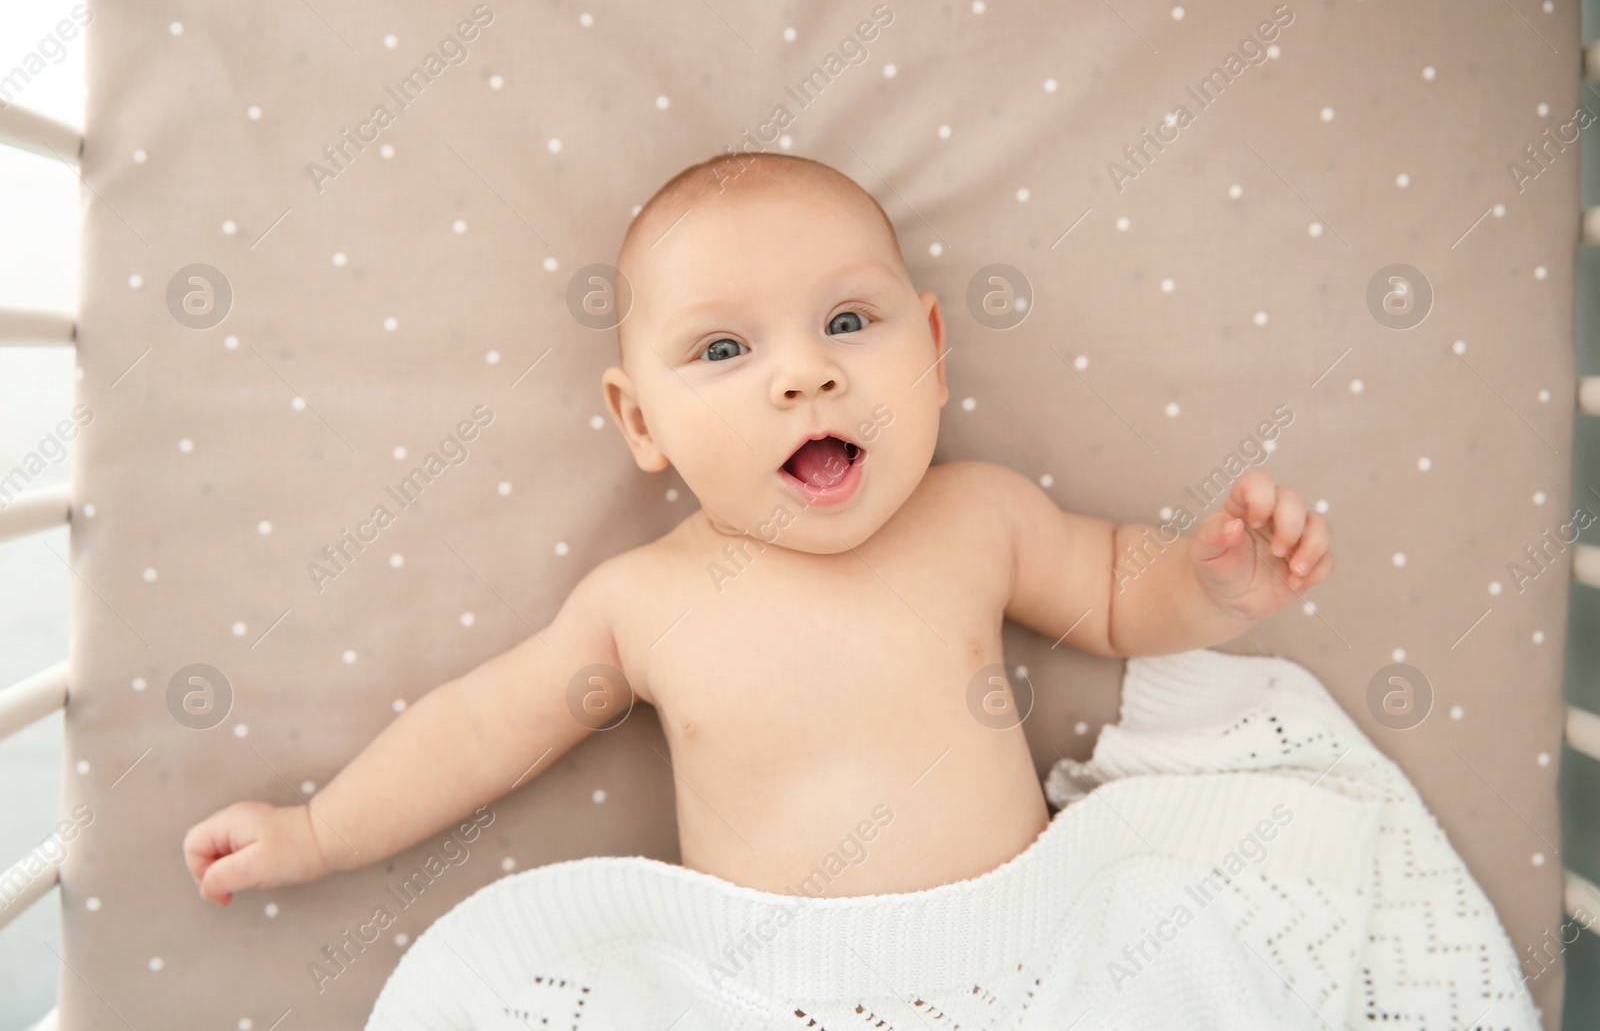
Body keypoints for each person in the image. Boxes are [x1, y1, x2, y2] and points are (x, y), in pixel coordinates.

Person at [183, 151, 1332, 906]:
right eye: (724, 349)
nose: (806, 375)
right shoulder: (640, 603)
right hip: (775, 985)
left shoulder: (976, 514)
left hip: (1018, 939)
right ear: (642, 422)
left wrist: (1210, 582)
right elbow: (481, 731)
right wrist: (321, 830)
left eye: (847, 319)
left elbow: (1120, 595)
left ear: (931, 348)